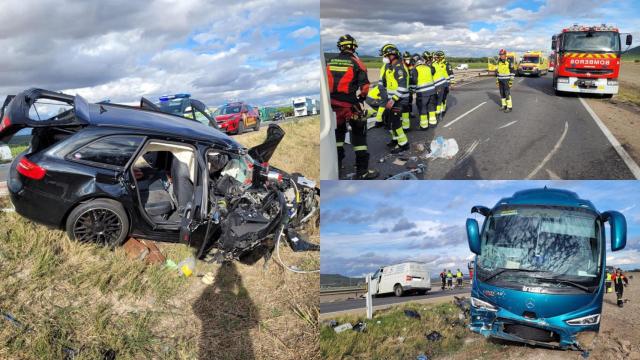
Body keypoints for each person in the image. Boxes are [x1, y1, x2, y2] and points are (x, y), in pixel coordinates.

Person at [326, 34, 379, 179]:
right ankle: (362, 172)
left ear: (340, 46)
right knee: (359, 137)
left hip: (333, 107)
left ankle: (336, 166)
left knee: (337, 137)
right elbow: (365, 86)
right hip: (350, 105)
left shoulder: (329, 62)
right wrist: (361, 98)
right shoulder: (357, 62)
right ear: (354, 47)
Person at [379, 43, 410, 154]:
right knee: (390, 122)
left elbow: (402, 86)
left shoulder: (399, 67)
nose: (384, 58)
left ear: (392, 55)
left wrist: (392, 100)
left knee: (396, 123)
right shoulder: (390, 67)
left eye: (386, 56)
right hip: (393, 99)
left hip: (399, 100)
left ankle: (403, 144)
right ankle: (395, 139)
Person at [415, 52, 436, 130]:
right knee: (431, 106)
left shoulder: (415, 69)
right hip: (432, 91)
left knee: (422, 108)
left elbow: (414, 81)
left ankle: (424, 126)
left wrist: (412, 89)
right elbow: (433, 72)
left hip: (422, 92)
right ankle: (433, 123)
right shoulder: (428, 68)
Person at [402, 51, 416, 132]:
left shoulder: (411, 66)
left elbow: (412, 77)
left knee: (410, 100)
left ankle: (410, 112)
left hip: (409, 87)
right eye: (406, 58)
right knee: (404, 103)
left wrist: (412, 88)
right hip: (403, 87)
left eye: (408, 58)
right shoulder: (401, 66)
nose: (407, 60)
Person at [432, 51, 448, 123]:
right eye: (435, 57)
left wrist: (449, 83)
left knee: (440, 100)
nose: (436, 58)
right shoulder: (434, 64)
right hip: (436, 85)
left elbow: (446, 74)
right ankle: (438, 112)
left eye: (437, 57)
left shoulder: (442, 64)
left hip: (441, 85)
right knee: (437, 100)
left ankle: (439, 114)